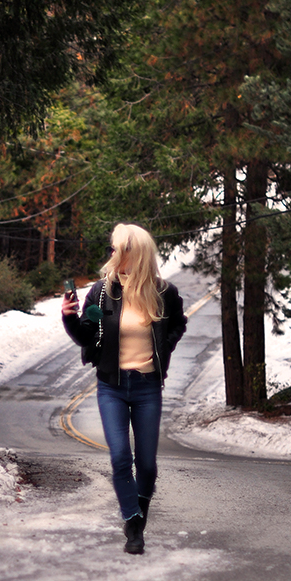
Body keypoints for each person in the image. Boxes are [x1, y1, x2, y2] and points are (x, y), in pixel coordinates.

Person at [61, 223, 187, 555]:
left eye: (118, 248)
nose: (113, 254)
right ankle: (133, 524)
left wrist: (165, 348)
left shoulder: (163, 293)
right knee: (120, 458)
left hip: (147, 388)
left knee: (146, 464)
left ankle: (139, 514)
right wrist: (70, 318)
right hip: (112, 387)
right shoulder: (102, 293)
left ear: (135, 253)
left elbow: (178, 323)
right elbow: (87, 336)